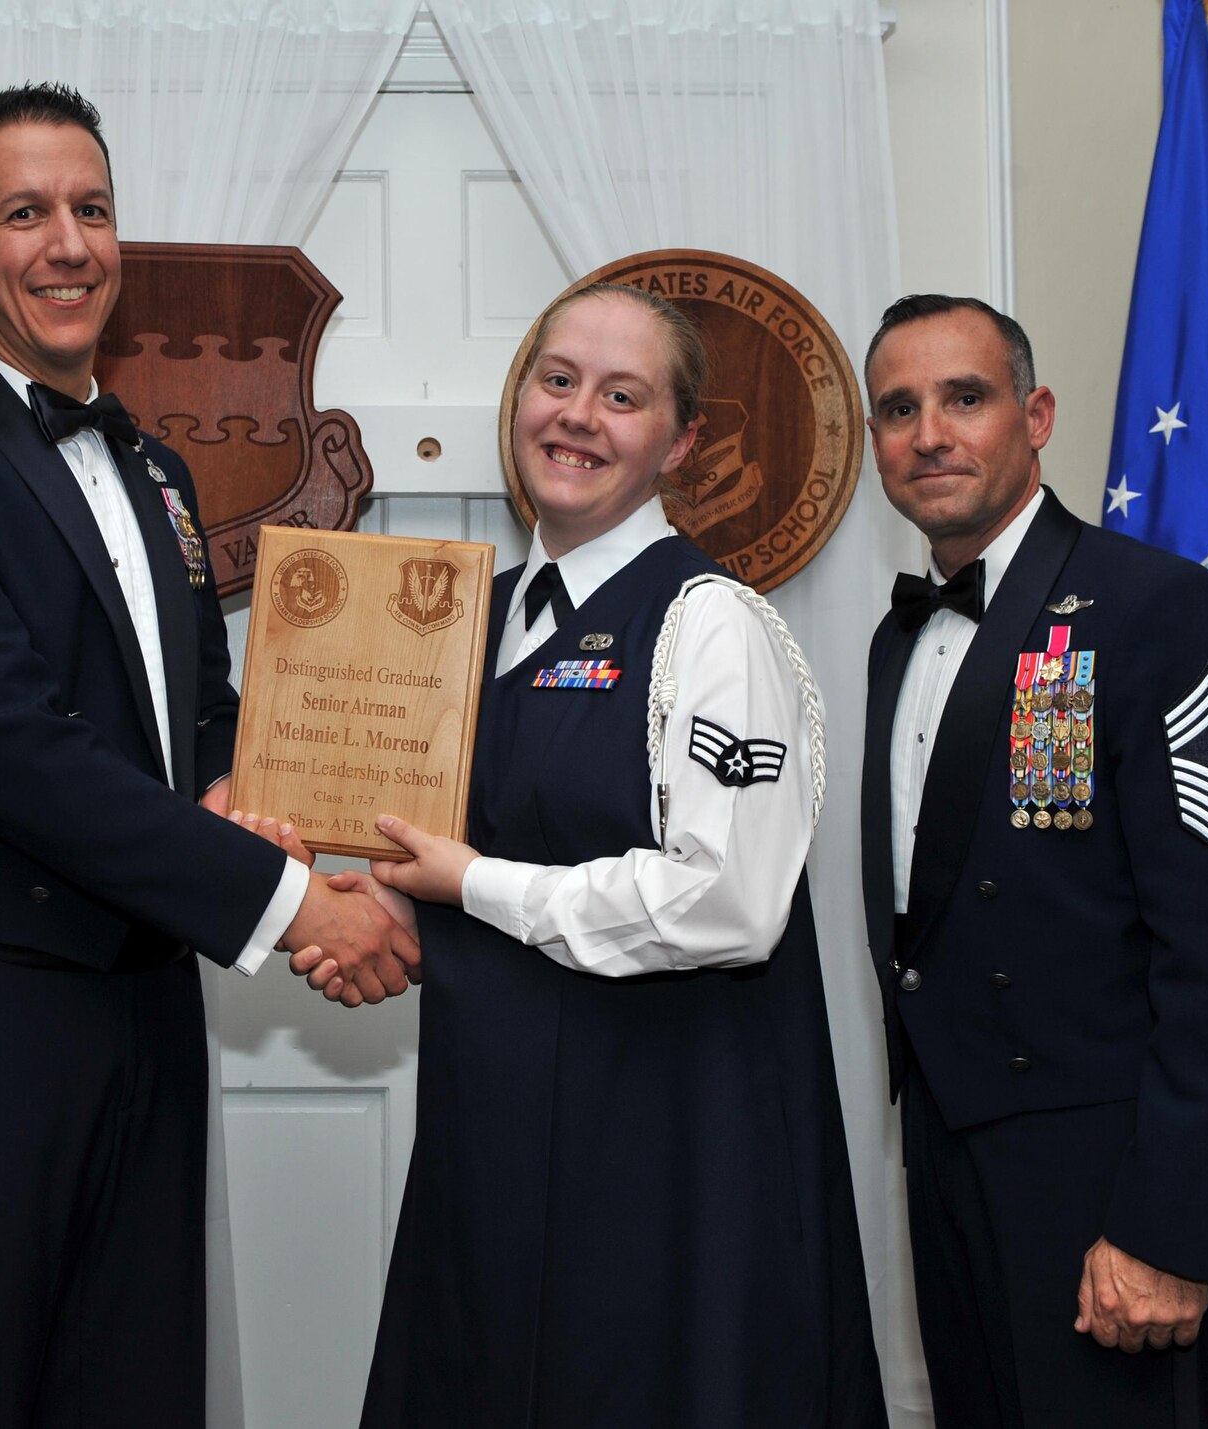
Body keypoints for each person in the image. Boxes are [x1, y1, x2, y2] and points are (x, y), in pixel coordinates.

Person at [0, 83, 418, 1429]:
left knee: (134, 1390)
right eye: (24, 213)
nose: (69, 242)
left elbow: (199, 726)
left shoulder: (156, 472)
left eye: (92, 208)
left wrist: (257, 813)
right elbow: (12, 748)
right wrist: (291, 904)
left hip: (141, 1009)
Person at [284, 282, 884, 1425]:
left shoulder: (712, 624)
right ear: (517, 399)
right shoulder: (474, 616)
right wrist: (385, 917)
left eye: (622, 396)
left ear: (679, 441)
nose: (576, 416)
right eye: (556, 382)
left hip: (669, 1162)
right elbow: (451, 851)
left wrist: (470, 886)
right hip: (496, 1143)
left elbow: (729, 902)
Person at [859, 293, 1208, 1427]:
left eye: (964, 397)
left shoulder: (1163, 612)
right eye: (897, 409)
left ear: (1035, 413)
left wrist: (1167, 1226)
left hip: (1110, 1179)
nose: (929, 433)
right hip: (951, 1165)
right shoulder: (897, 637)